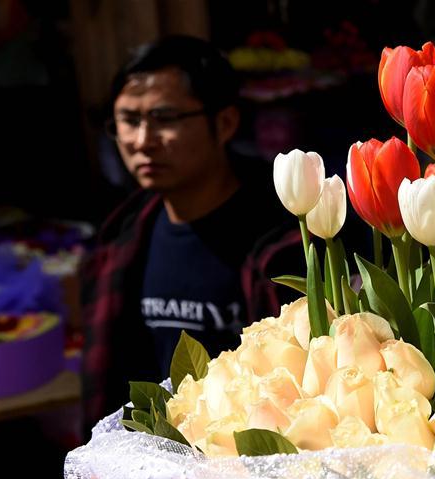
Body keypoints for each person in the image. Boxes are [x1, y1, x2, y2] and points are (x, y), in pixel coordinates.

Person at [81, 35, 303, 430]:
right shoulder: (121, 239)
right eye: (129, 121)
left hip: (249, 458)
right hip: (150, 461)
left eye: (165, 119)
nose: (142, 141)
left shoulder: (284, 244)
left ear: (225, 123)